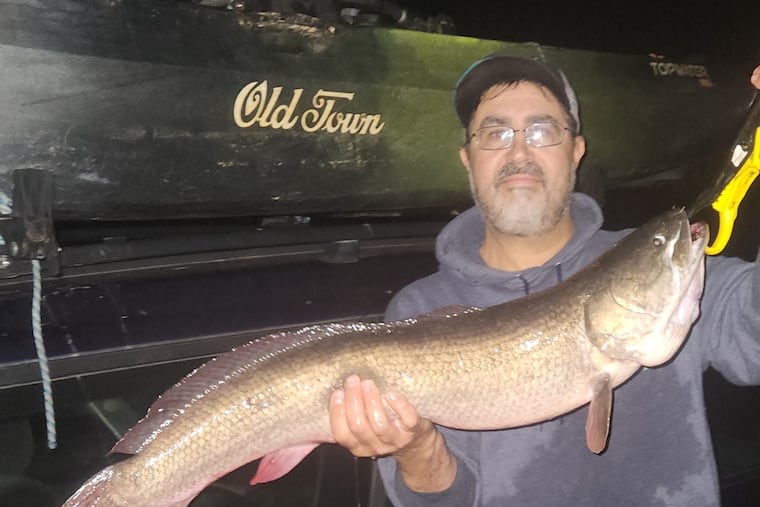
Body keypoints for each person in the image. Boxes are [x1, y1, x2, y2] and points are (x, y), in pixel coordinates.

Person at [327, 54, 760, 506]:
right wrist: (419, 451)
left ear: (576, 152)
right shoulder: (417, 311)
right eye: (495, 133)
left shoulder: (660, 274)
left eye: (542, 130)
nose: (518, 153)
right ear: (467, 159)